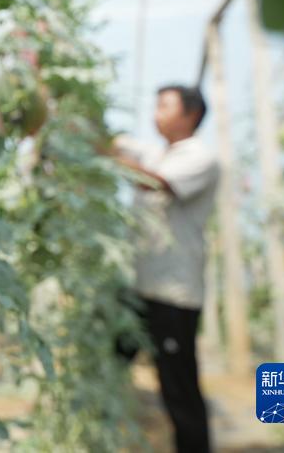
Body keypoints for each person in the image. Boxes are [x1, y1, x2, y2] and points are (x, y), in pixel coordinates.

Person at [111, 84, 219, 453]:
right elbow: (120, 145)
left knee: (178, 390)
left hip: (174, 295)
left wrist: (107, 159)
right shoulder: (160, 152)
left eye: (164, 106)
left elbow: (156, 182)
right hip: (141, 288)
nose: (155, 112)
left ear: (190, 115)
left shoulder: (200, 158)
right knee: (112, 361)